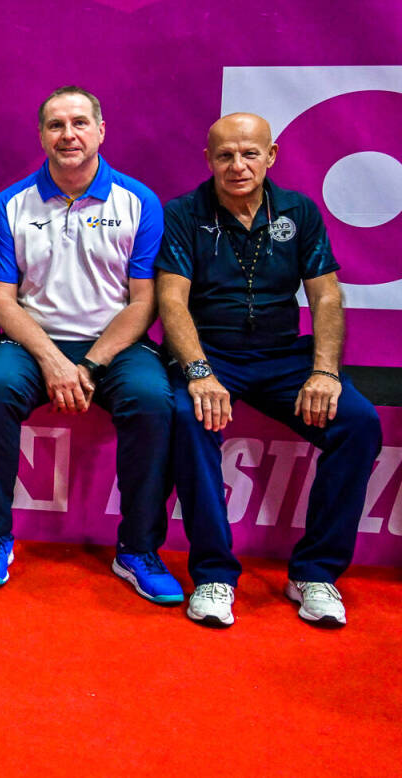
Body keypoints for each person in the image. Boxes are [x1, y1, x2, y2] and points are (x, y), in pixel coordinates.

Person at [157, 113, 381, 628]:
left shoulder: (299, 211)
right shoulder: (184, 213)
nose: (237, 165)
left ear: (271, 156)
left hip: (283, 356)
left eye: (249, 153)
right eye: (225, 156)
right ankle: (214, 574)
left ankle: (314, 573)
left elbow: (326, 296)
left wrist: (325, 372)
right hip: (212, 355)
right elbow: (171, 299)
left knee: (359, 423)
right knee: (188, 418)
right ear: (209, 160)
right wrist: (198, 371)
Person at [0, 87, 180, 600]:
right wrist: (52, 360)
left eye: (80, 123)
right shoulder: (11, 203)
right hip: (32, 340)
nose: (69, 135)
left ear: (101, 131)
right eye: (56, 125)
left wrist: (88, 365)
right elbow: (1, 300)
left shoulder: (139, 201)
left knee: (153, 401)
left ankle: (137, 549)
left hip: (115, 344)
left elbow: (143, 303)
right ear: (41, 135)